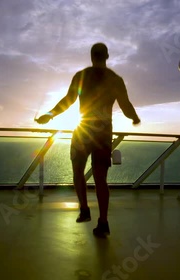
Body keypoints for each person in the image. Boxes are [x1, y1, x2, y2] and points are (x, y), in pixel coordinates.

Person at [36, 43, 141, 237]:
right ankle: (103, 222)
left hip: (83, 131)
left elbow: (68, 101)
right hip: (103, 134)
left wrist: (49, 115)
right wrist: (135, 118)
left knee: (77, 170)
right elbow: (126, 106)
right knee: (101, 178)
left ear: (91, 56)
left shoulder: (81, 76)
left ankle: (84, 209)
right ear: (107, 56)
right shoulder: (115, 79)